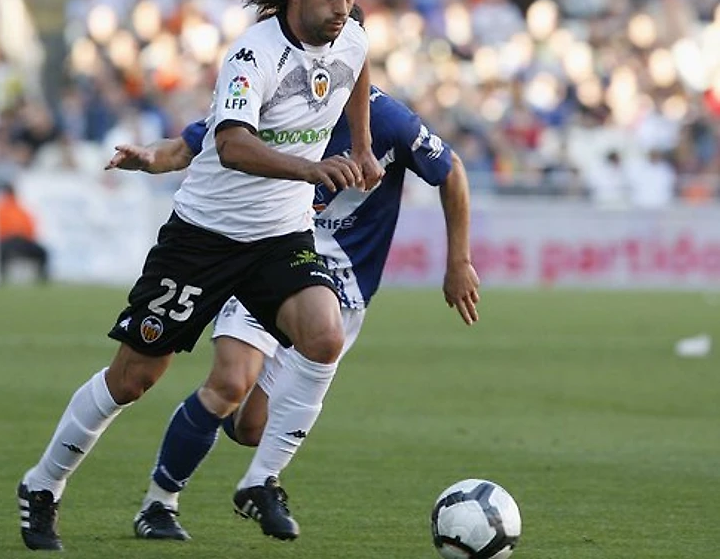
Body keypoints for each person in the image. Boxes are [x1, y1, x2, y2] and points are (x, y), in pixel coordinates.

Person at [17, 0, 383, 552]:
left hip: (280, 235)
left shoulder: (351, 36)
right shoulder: (253, 55)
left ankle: (261, 480)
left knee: (324, 336)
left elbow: (359, 69)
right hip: (204, 237)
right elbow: (233, 145)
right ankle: (43, 484)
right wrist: (313, 168)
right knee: (133, 378)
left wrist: (365, 146)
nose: (343, 8)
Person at [107, 84, 480, 542]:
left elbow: (450, 169)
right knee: (229, 381)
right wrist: (150, 156)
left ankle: (227, 442)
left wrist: (458, 261)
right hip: (267, 257)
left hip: (341, 286)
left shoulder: (387, 120)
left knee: (251, 427)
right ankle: (162, 503)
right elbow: (189, 145)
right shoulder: (275, 93)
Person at [0, 183, 49, 283]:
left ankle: (42, 277)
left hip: (22, 240)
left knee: (42, 252)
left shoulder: (19, 208)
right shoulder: (1, 208)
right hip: (8, 240)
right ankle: (1, 277)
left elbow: (31, 227)